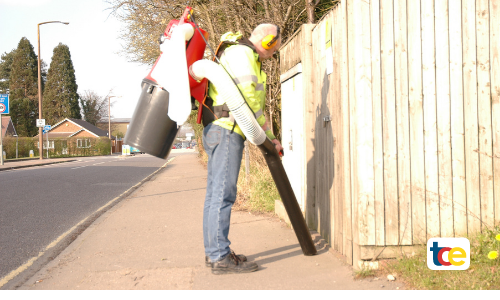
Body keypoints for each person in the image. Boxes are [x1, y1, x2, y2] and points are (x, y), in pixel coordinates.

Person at [202, 24, 284, 275]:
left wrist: (269, 138)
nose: (272, 55)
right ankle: (219, 257)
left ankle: (214, 252)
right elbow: (248, 99)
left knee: (216, 194)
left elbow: (253, 104)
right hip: (228, 129)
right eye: (274, 49)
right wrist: (264, 135)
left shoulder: (241, 54)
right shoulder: (243, 54)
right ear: (268, 41)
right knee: (223, 195)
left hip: (221, 128)